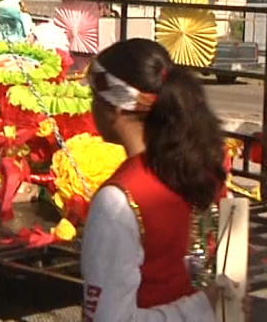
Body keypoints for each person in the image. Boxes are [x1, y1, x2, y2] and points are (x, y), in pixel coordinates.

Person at [81, 38, 247, 321]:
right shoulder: (205, 171)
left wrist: (201, 307)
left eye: (95, 97)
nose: (91, 107)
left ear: (116, 108)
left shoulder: (118, 200)